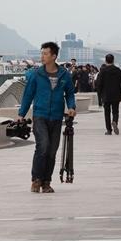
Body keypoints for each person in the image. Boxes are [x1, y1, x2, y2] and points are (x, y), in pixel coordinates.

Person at [19, 41, 76, 193]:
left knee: (52, 150)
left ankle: (46, 182)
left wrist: (71, 107)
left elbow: (70, 93)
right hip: (40, 115)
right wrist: (21, 114)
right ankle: (36, 179)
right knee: (43, 146)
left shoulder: (64, 74)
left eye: (45, 54)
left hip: (57, 117)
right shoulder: (36, 74)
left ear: (54, 56)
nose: (42, 56)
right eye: (42, 53)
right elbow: (28, 95)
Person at [95, 52, 121, 135]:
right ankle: (115, 121)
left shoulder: (103, 71)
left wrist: (99, 98)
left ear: (105, 60)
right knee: (115, 111)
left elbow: (99, 84)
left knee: (107, 113)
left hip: (106, 95)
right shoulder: (117, 70)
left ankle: (109, 130)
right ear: (113, 60)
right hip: (116, 94)